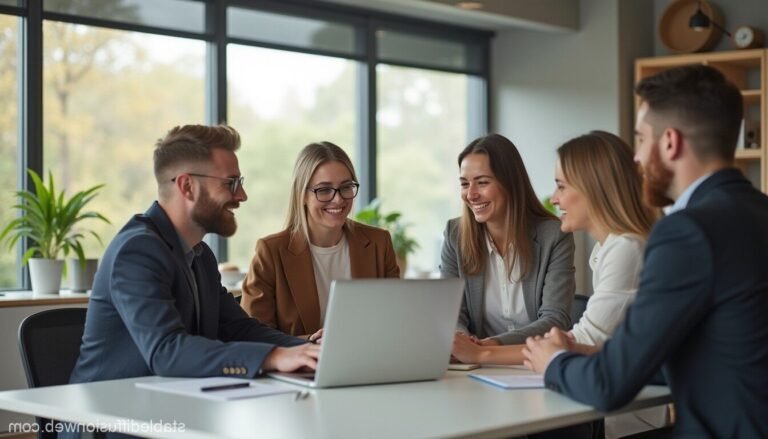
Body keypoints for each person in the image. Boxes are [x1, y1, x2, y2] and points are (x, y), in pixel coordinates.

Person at [524, 65, 768, 437]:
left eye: (641, 140)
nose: (636, 159)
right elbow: (726, 353)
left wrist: (553, 360)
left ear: (670, 142)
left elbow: (608, 387)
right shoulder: (757, 211)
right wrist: (594, 354)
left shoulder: (686, 232)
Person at [70, 124, 319, 386]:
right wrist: (275, 357)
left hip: (171, 408)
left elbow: (238, 329)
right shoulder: (136, 252)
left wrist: (310, 349)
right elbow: (167, 352)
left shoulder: (200, 255)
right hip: (108, 419)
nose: (241, 196)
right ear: (187, 186)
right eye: (231, 183)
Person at [451, 131, 664, 438]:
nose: (553, 198)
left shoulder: (626, 249)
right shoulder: (607, 249)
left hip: (625, 419)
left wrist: (483, 354)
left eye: (561, 186)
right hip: (605, 404)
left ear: (595, 188)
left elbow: (579, 340)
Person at [240, 141, 399, 338]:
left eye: (346, 187)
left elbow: (394, 319)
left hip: (370, 363)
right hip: (300, 367)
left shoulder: (378, 243)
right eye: (324, 190)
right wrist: (311, 343)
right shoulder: (271, 252)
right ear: (303, 195)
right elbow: (253, 336)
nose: (338, 199)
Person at [440, 133, 575, 347]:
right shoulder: (455, 235)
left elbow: (554, 319)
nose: (471, 194)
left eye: (482, 182)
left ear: (510, 183)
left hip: (532, 361)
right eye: (465, 184)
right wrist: (463, 340)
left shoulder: (554, 235)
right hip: (475, 365)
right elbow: (450, 312)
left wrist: (489, 346)